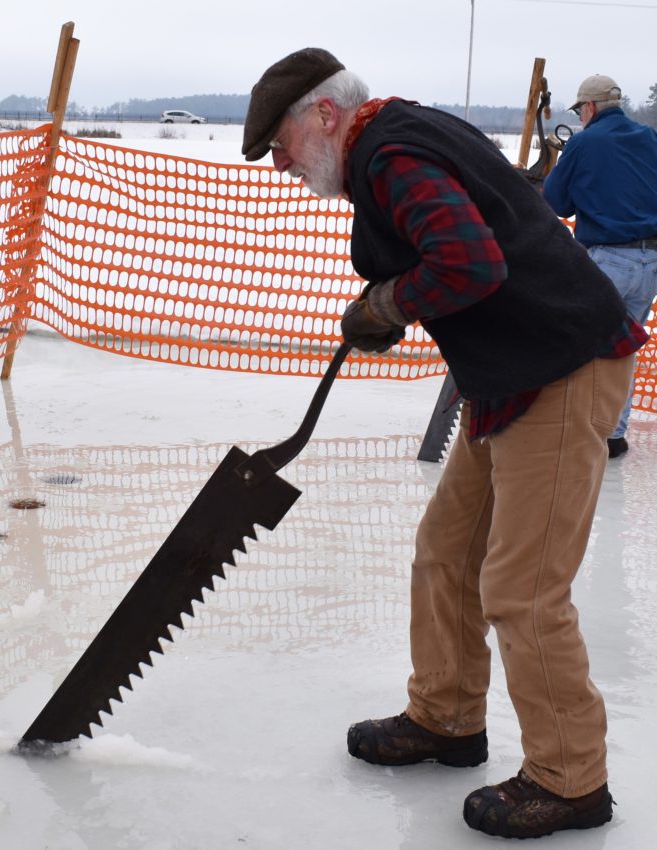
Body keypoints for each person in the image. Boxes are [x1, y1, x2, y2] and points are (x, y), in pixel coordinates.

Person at [242, 48, 648, 840]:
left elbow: (469, 260)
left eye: (282, 143)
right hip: (511, 373)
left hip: (562, 365)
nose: (281, 163)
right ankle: (448, 717)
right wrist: (392, 297)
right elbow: (458, 249)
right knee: (446, 554)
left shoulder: (391, 154)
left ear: (325, 115)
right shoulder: (395, 139)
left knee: (523, 588)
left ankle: (571, 780)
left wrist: (390, 303)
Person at [543, 74, 657, 458]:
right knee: (624, 349)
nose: (580, 118)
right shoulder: (649, 138)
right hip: (651, 263)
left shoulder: (584, 142)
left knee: (586, 346)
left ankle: (583, 434)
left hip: (608, 259)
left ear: (589, 107)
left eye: (580, 111)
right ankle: (612, 435)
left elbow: (556, 202)